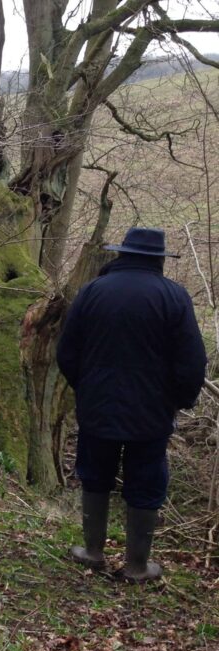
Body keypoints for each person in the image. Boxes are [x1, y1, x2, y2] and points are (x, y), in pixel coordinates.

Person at [56, 227, 206, 583]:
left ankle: (93, 552)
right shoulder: (174, 297)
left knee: (95, 475)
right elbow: (193, 362)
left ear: (121, 254)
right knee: (147, 482)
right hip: (152, 412)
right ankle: (137, 566)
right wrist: (180, 400)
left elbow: (66, 351)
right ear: (159, 260)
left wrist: (86, 388)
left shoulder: (92, 291)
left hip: (97, 405)